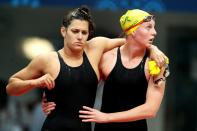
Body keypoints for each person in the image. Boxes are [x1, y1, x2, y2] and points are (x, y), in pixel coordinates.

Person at [6, 6, 166, 131]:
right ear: (64, 31)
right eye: (75, 31)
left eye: (84, 32)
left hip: (92, 127)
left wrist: (154, 49)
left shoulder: (96, 48)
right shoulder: (49, 59)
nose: (80, 37)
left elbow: (130, 42)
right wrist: (40, 86)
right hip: (60, 127)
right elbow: (12, 86)